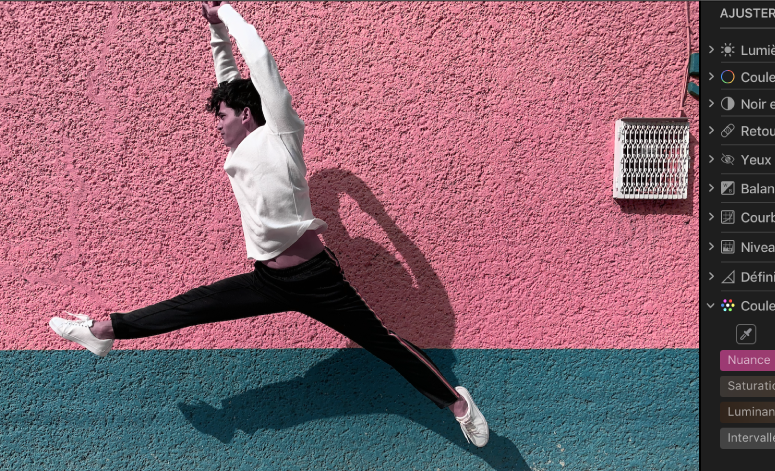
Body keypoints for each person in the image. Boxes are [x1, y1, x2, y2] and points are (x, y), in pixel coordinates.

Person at [48, 1, 489, 448]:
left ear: (246, 114)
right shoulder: (237, 148)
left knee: (385, 343)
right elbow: (228, 78)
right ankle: (103, 332)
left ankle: (458, 405)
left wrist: (229, 14)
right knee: (193, 306)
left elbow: (257, 60)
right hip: (268, 279)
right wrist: (216, 31)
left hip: (317, 280)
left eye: (221, 116)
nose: (216, 125)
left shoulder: (280, 131)